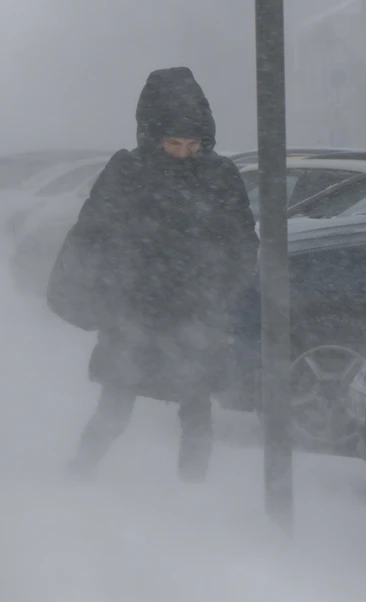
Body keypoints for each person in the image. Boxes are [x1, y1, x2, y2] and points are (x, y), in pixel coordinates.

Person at [60, 67, 259, 482]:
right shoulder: (127, 172)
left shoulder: (220, 176)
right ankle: (78, 473)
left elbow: (242, 243)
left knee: (197, 411)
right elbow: (90, 234)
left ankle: (190, 497)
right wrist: (102, 293)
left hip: (195, 313)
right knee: (115, 407)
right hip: (133, 312)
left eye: (193, 144)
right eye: (174, 143)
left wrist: (219, 292)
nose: (185, 153)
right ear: (152, 138)